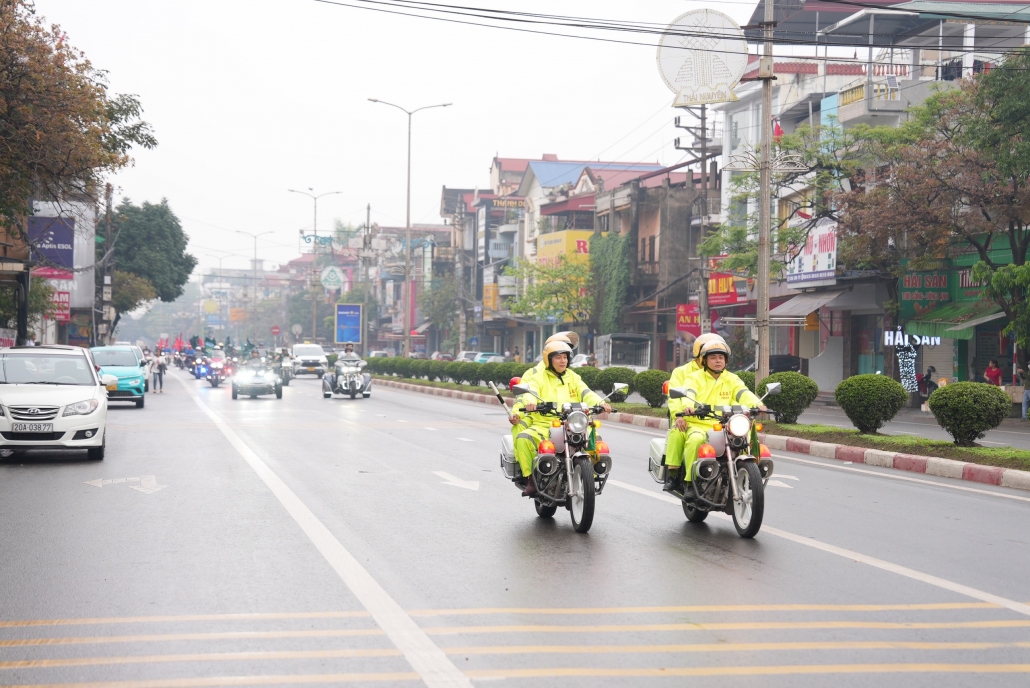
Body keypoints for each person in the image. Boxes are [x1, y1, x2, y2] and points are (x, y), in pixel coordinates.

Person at [507, 340, 611, 496]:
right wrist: (530, 404)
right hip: (546, 424)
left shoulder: (573, 377)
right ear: (549, 360)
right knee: (523, 438)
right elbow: (531, 392)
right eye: (558, 357)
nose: (563, 361)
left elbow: (586, 392)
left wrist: (601, 403)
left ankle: (591, 476)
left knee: (596, 440)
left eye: (565, 357)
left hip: (573, 423)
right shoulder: (538, 377)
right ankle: (530, 479)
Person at [664, 339, 765, 493]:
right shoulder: (694, 377)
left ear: (726, 360)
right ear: (704, 360)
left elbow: (742, 392)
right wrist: (688, 407)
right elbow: (689, 392)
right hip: (698, 423)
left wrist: (758, 404)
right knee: (695, 440)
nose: (718, 361)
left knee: (746, 434)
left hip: (725, 423)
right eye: (713, 357)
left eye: (721, 357)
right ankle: (690, 483)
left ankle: (751, 472)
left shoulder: (732, 378)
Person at [662, 333, 728, 491]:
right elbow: (676, 397)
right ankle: (674, 474)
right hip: (690, 418)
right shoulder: (682, 373)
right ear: (701, 355)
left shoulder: (725, 375)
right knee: (678, 432)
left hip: (718, 420)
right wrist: (679, 415)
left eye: (720, 355)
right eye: (711, 354)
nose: (716, 359)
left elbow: (739, 393)